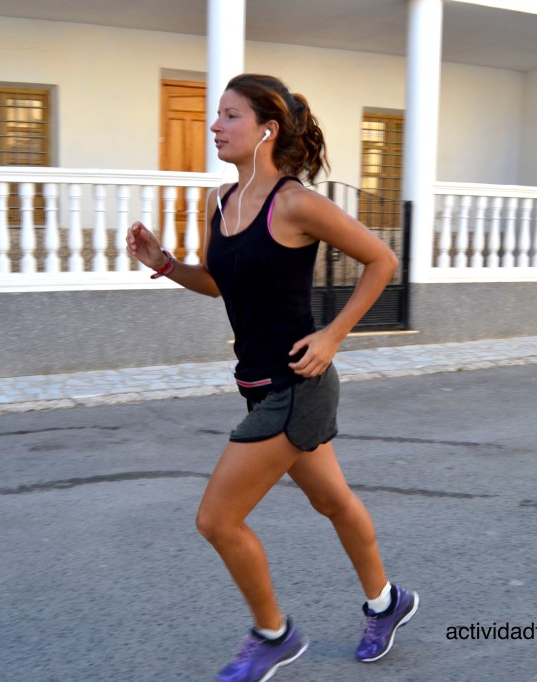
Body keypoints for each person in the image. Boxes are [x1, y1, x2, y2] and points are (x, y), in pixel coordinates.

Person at [126, 73, 418, 682]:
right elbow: (220, 283)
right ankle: (388, 603)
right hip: (256, 382)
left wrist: (333, 334)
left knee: (217, 520)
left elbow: (381, 259)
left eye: (229, 116)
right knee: (333, 501)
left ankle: (273, 634)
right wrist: (166, 264)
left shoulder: (296, 202)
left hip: (297, 386)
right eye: (217, 116)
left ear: (267, 129)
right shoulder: (221, 202)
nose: (215, 126)